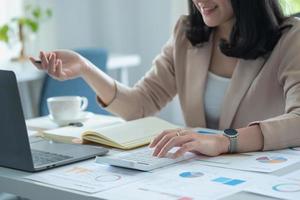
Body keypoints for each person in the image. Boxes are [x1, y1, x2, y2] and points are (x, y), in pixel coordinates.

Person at [30, 0, 300, 159]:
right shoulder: (188, 35)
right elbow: (139, 105)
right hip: (201, 179)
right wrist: (85, 68)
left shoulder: (290, 39)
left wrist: (224, 140)